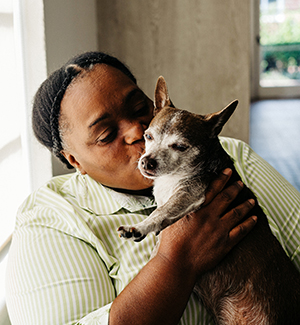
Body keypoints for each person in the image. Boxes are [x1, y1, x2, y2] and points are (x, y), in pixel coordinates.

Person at [5, 51, 300, 325]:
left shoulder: (227, 157)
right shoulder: (49, 220)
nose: (137, 131)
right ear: (74, 160)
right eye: (107, 134)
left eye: (139, 107)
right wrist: (175, 259)